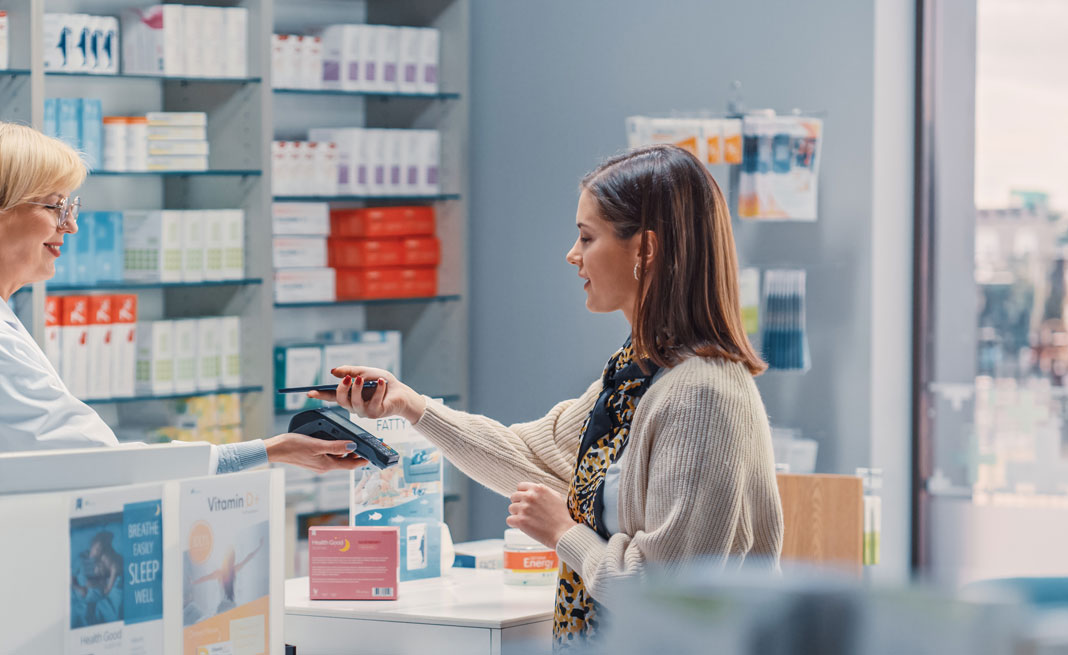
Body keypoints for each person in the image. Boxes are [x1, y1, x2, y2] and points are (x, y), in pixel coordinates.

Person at [0, 121, 365, 653]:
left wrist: (274, 450)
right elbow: (105, 470)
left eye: (69, 208)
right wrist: (267, 452)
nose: (69, 227)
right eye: (54, 207)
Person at [317, 145, 784, 647]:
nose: (572, 254)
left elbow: (668, 593)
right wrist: (409, 405)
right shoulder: (635, 373)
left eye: (587, 237)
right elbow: (524, 455)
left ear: (646, 250)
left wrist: (565, 533)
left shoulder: (702, 396)